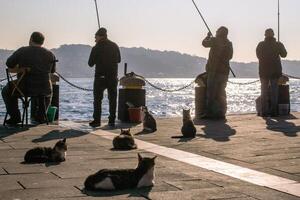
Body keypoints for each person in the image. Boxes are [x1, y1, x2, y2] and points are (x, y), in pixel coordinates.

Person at [2, 32, 56, 125]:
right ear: (42, 42)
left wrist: (20, 67)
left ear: (31, 39)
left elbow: (9, 63)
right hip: (44, 88)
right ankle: (41, 116)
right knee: (48, 92)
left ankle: (15, 117)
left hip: (24, 87)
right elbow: (52, 71)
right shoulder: (50, 54)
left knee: (6, 90)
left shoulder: (22, 51)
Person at [88, 28, 121, 128]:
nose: (94, 39)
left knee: (97, 100)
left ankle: (97, 121)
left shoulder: (96, 48)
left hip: (100, 78)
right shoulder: (114, 46)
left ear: (100, 36)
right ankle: (111, 120)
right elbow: (119, 60)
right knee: (112, 99)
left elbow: (90, 64)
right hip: (112, 77)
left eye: (95, 37)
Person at [202, 26, 233, 119]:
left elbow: (204, 43)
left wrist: (208, 36)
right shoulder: (229, 43)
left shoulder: (214, 40)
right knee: (222, 93)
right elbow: (230, 56)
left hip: (214, 72)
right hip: (224, 72)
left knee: (211, 93)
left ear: (220, 32)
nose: (215, 31)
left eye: (217, 31)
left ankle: (209, 113)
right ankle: (222, 112)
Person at [256, 28, 287, 117]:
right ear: (273, 35)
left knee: (264, 92)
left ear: (265, 35)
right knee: (274, 92)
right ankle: (274, 112)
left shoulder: (261, 45)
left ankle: (264, 112)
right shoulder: (278, 44)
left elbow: (258, 56)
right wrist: (280, 46)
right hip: (275, 72)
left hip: (263, 71)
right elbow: (284, 54)